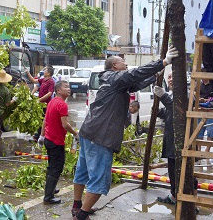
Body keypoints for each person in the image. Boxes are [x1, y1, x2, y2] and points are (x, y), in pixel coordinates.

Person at [71, 47, 178, 220]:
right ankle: (81, 215)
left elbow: (136, 82)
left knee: (82, 172)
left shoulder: (111, 81)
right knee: (98, 179)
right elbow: (134, 75)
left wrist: (155, 74)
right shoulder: (114, 78)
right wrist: (163, 62)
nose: (126, 63)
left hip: (88, 132)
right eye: (122, 61)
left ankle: (77, 206)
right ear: (114, 65)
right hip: (100, 137)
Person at [38, 80, 78, 204]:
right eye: (65, 87)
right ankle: (48, 197)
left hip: (49, 140)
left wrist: (42, 136)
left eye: (69, 86)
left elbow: (45, 120)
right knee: (56, 168)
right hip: (56, 142)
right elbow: (65, 124)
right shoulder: (62, 104)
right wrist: (76, 134)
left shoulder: (52, 102)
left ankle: (51, 189)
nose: (69, 89)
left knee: (51, 167)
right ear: (58, 90)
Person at [153, 73, 176, 204]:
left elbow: (176, 108)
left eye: (173, 77)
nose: (171, 80)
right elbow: (169, 112)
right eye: (169, 77)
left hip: (179, 139)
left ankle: (183, 199)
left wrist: (163, 96)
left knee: (180, 171)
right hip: (170, 136)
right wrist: (158, 111)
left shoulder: (185, 94)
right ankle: (174, 195)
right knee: (172, 170)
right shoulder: (171, 94)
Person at [26, 66, 55, 141]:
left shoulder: (51, 81)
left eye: (45, 70)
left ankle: (39, 136)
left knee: (44, 120)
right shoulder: (43, 80)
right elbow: (34, 81)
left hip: (46, 104)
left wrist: (40, 100)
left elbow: (49, 93)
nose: (44, 71)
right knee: (40, 119)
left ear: (48, 73)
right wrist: (27, 72)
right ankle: (39, 135)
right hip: (41, 104)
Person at [196, 74, 213, 160]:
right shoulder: (199, 85)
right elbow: (194, 94)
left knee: (210, 130)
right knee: (199, 130)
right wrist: (201, 99)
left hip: (211, 109)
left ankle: (207, 151)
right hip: (201, 109)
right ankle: (199, 151)